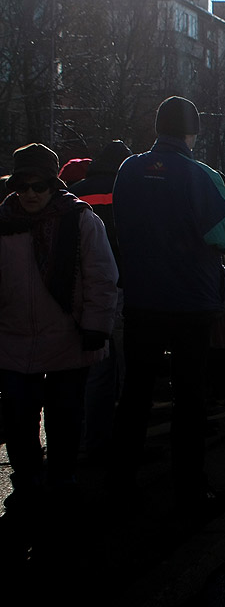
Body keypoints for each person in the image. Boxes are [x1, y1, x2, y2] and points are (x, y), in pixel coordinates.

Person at [112, 96, 225, 519]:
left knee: (134, 394)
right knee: (189, 397)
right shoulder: (198, 175)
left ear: (158, 129)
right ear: (192, 134)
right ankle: (190, 491)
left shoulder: (129, 170)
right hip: (190, 303)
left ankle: (120, 487)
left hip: (140, 299)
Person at [0, 143, 119, 528]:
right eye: (23, 186)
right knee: (18, 417)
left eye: (39, 186)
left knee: (65, 416)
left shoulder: (80, 219)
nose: (30, 193)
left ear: (54, 185)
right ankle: (28, 483)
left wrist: (97, 327)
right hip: (14, 338)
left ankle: (62, 479)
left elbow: (101, 277)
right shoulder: (4, 221)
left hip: (68, 337)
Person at [69, 139, 133, 462]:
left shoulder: (77, 190)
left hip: (79, 289)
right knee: (123, 366)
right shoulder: (130, 189)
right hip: (122, 284)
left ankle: (84, 436)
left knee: (87, 368)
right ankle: (115, 440)